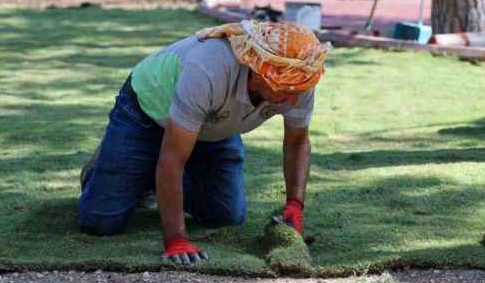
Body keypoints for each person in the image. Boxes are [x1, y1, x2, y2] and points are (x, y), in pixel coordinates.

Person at [78, 20, 331, 264]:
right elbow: (173, 158)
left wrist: (295, 206)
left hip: (211, 126)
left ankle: (146, 177)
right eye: (285, 91)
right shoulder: (208, 68)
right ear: (257, 72)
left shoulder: (299, 76)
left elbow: (297, 142)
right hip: (147, 112)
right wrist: (176, 239)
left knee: (224, 215)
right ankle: (103, 168)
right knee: (101, 221)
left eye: (297, 91)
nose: (293, 101)